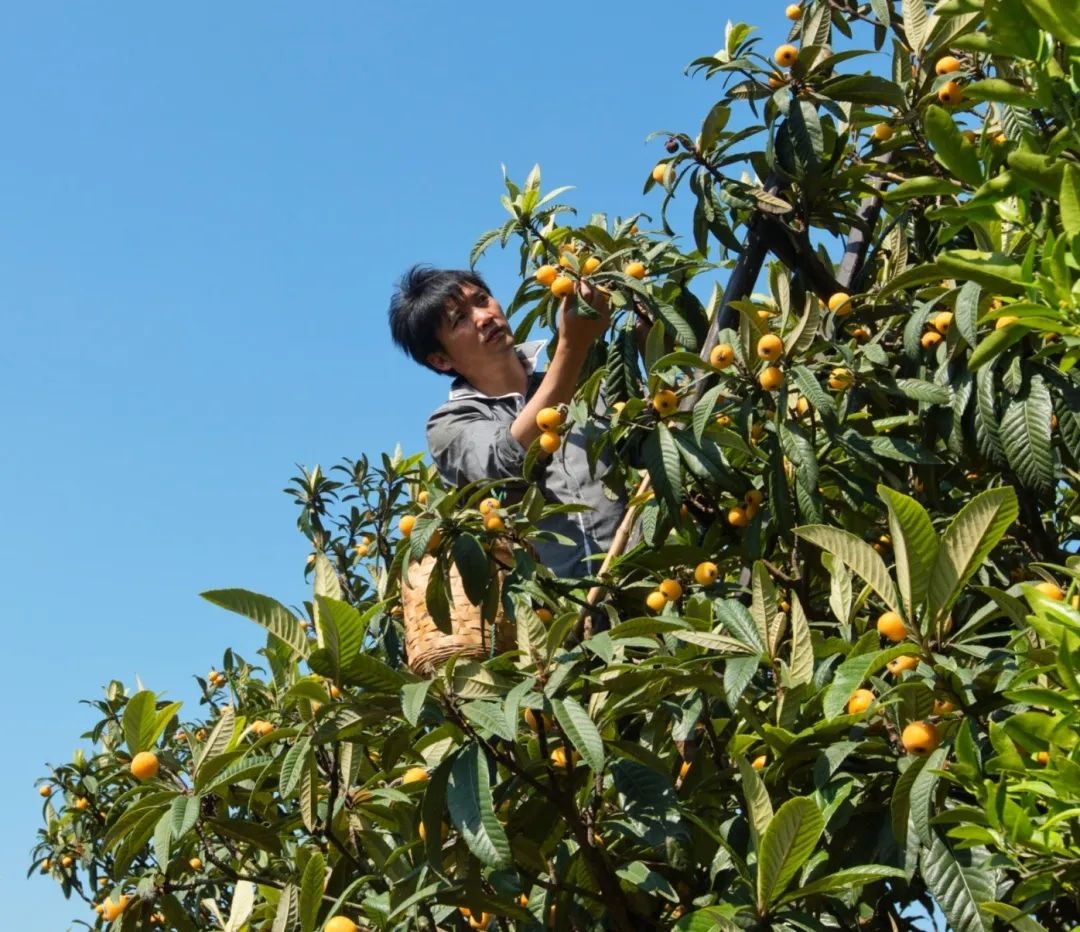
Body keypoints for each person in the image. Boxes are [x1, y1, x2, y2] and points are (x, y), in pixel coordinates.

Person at [388, 265, 625, 579]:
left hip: (643, 587)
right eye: (459, 319)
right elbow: (510, 459)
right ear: (441, 360)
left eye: (483, 300)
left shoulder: (589, 384)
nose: (484, 317)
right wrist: (572, 347)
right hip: (562, 613)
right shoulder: (448, 426)